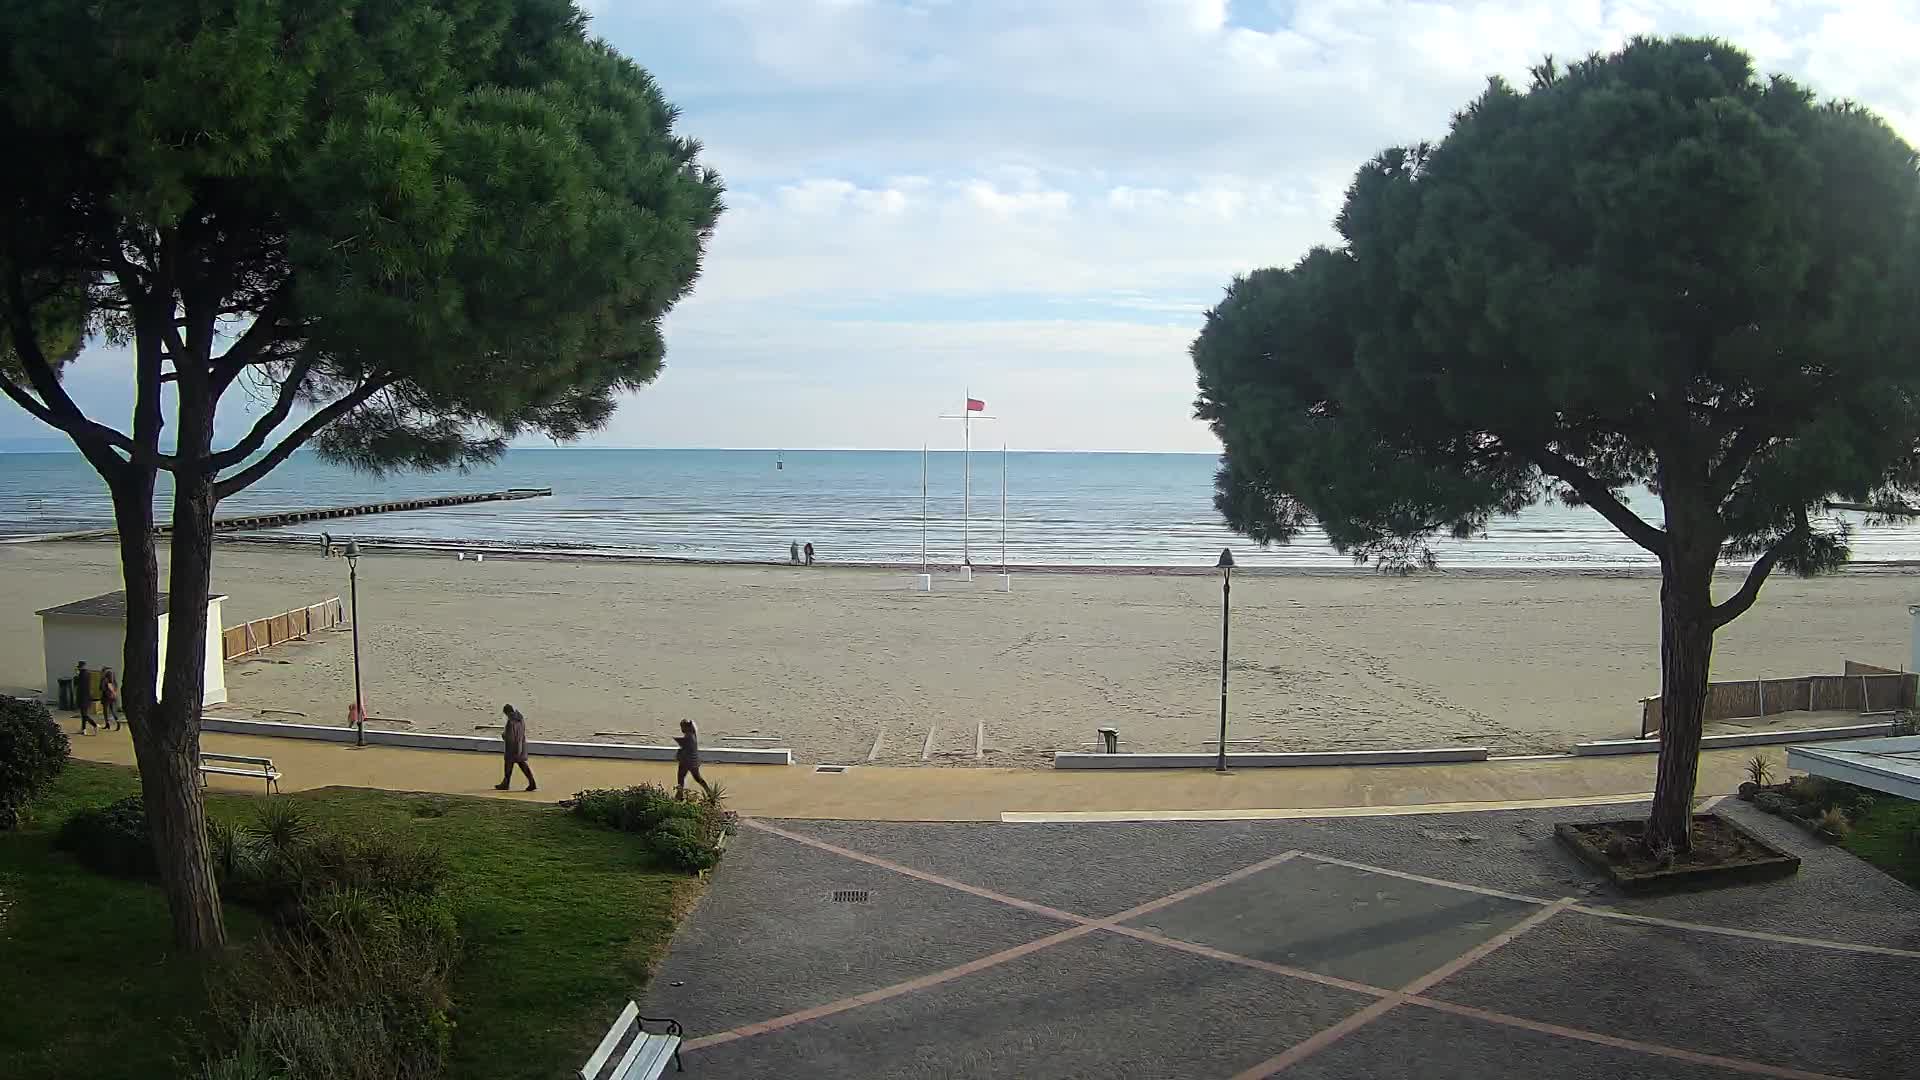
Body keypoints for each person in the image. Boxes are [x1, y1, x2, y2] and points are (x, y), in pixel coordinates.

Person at [495, 704, 537, 791]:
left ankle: (506, 784)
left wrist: (504, 736)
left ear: (507, 712)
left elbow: (510, 736)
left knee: (509, 765)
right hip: (521, 744)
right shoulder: (520, 719)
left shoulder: (511, 721)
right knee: (521, 764)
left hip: (513, 747)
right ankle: (531, 782)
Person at [675, 719, 713, 799]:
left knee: (681, 778)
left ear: (686, 727)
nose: (681, 729)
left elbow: (686, 748)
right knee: (698, 778)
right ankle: (709, 792)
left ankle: (679, 795)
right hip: (693, 761)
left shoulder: (689, 737)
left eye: (682, 727)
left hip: (686, 762)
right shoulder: (692, 734)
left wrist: (680, 751)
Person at [74, 660, 99, 734]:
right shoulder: (88, 673)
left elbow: (76, 684)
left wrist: (76, 675)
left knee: (84, 715)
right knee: (83, 714)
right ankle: (83, 729)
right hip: (87, 696)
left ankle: (94, 725)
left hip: (82, 697)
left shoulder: (81, 674)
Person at [99, 667, 120, 731]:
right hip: (113, 697)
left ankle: (107, 724)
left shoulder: (104, 679)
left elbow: (101, 688)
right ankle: (118, 722)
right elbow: (116, 688)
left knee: (105, 711)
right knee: (113, 711)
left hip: (106, 698)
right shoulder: (114, 681)